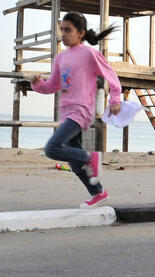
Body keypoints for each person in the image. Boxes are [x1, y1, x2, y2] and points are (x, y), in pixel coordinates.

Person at [31, 12, 122, 208]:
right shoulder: (60, 58)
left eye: (68, 30)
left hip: (82, 109)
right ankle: (99, 193)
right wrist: (37, 84)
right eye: (62, 30)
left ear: (80, 33)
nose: (63, 34)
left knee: (52, 149)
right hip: (66, 111)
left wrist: (115, 98)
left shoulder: (89, 53)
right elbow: (52, 86)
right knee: (73, 161)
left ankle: (92, 157)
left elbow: (110, 74)